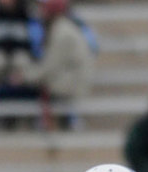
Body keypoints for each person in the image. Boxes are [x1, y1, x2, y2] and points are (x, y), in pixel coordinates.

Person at [20, 0, 95, 129]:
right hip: (69, 76)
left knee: (35, 81)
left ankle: (50, 122)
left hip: (72, 82)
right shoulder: (59, 27)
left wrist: (24, 77)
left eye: (43, 8)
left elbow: (50, 66)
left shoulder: (61, 32)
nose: (40, 12)